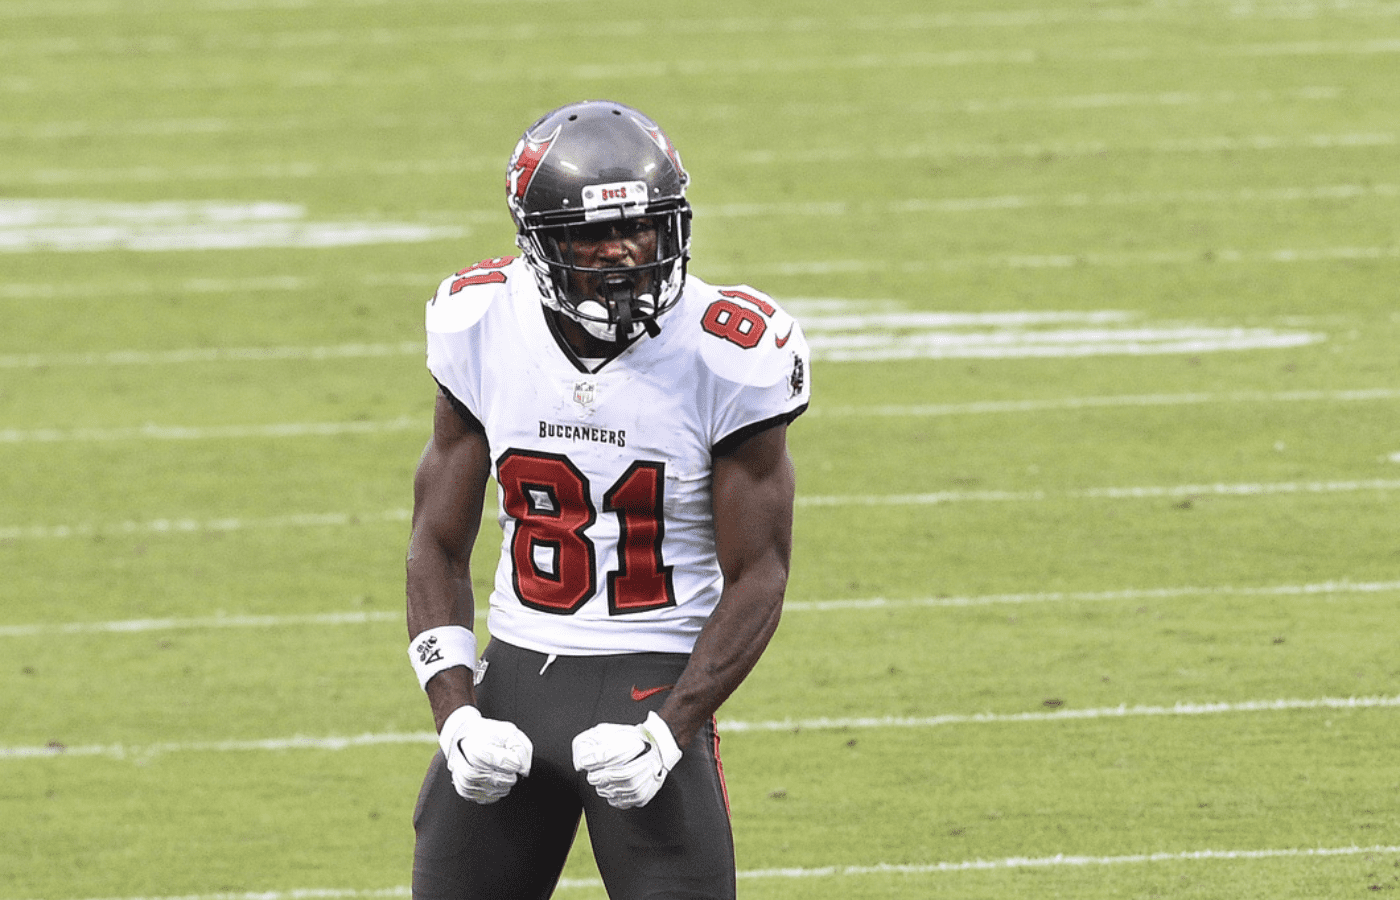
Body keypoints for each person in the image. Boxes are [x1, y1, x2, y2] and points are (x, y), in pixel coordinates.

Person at [404, 99, 811, 900]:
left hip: (654, 677)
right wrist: (454, 714)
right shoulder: (481, 320)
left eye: (644, 228)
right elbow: (436, 541)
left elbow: (760, 572)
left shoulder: (730, 352)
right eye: (591, 234)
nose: (625, 250)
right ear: (540, 243)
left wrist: (669, 733)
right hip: (513, 676)